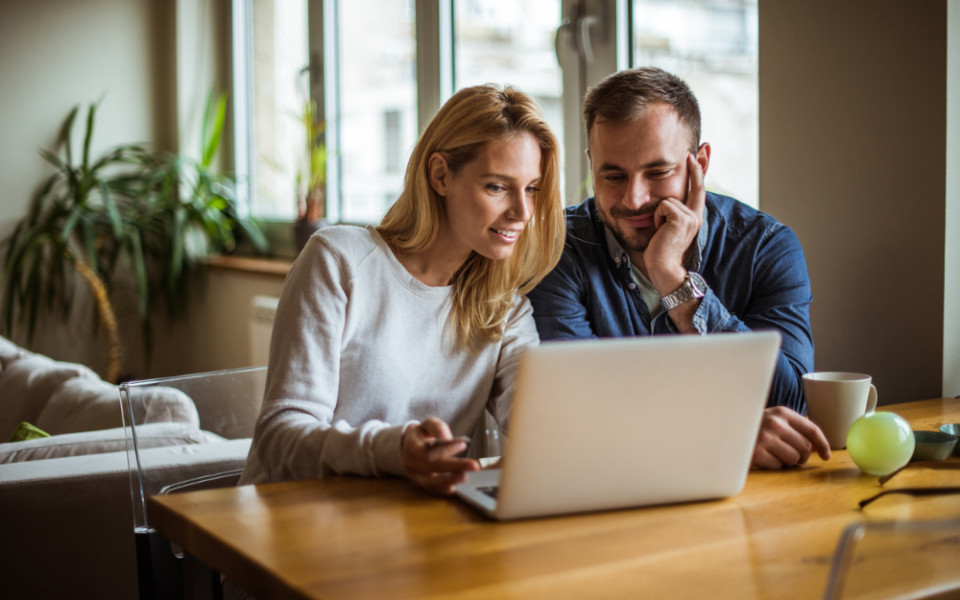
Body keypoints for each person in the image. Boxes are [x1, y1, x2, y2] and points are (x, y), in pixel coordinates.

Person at [239, 84, 565, 495]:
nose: (523, 212)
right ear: (440, 175)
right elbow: (279, 437)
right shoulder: (339, 261)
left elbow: (536, 422)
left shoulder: (505, 307)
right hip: (290, 515)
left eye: (532, 188)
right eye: (497, 187)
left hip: (406, 521)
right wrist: (393, 451)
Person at [527, 67, 831, 470]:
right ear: (591, 164)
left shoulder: (765, 247)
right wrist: (725, 433)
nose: (634, 199)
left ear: (699, 163)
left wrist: (673, 278)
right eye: (613, 175)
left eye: (658, 172)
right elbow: (574, 410)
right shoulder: (557, 247)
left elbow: (790, 404)